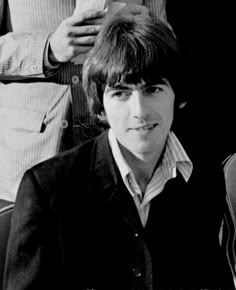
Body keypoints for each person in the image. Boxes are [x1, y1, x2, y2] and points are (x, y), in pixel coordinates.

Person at [4, 11, 234, 290]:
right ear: (100, 105)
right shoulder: (47, 191)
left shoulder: (203, 176)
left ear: (179, 96)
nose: (139, 111)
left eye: (153, 90)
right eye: (121, 93)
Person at [0, 0, 166, 202]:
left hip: (122, 155)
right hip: (31, 155)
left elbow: (167, 50)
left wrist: (145, 30)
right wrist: (48, 49)